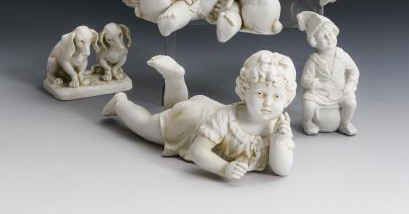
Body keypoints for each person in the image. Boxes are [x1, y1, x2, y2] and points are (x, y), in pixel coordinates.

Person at [102, 51, 297, 179]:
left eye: (277, 96)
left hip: (201, 111)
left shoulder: (279, 126)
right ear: (245, 91)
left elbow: (282, 169)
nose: (268, 103)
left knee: (174, 110)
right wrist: (223, 168)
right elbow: (198, 151)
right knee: (147, 126)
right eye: (260, 94)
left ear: (287, 98)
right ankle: (121, 103)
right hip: (193, 121)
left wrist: (279, 141)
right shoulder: (227, 119)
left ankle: (175, 78)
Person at [297, 11, 360, 135]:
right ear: (314, 41)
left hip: (339, 91)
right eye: (324, 37)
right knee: (308, 103)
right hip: (318, 93)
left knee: (351, 103)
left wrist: (350, 85)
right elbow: (305, 80)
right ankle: (307, 122)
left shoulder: (343, 55)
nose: (329, 38)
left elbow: (353, 71)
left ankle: (345, 123)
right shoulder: (313, 60)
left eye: (330, 34)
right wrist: (320, 85)